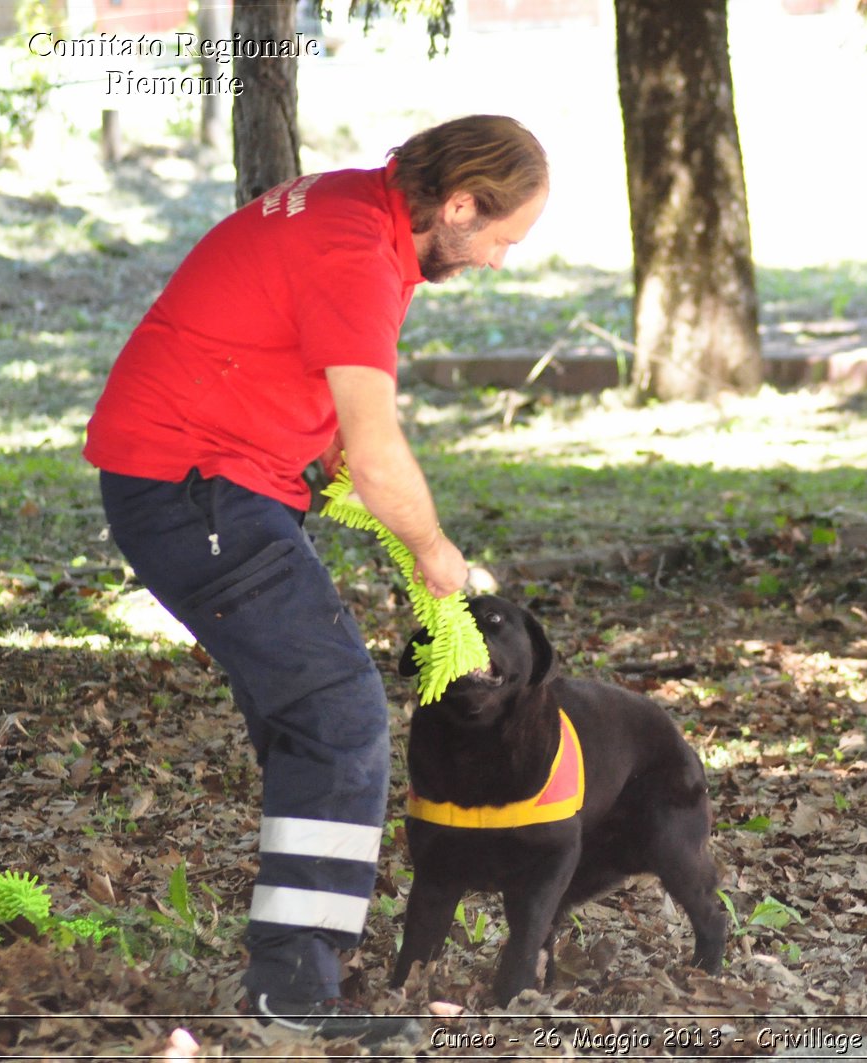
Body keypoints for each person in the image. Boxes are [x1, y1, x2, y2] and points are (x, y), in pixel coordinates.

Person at [84, 115, 549, 1043]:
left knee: (312, 719)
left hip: (206, 475)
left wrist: (318, 453)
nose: (499, 259)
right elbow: (379, 455)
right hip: (192, 486)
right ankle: (292, 991)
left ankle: (297, 963)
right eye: (501, 238)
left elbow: (303, 370)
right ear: (457, 205)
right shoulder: (356, 251)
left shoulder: (357, 211)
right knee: (337, 713)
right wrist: (434, 552)